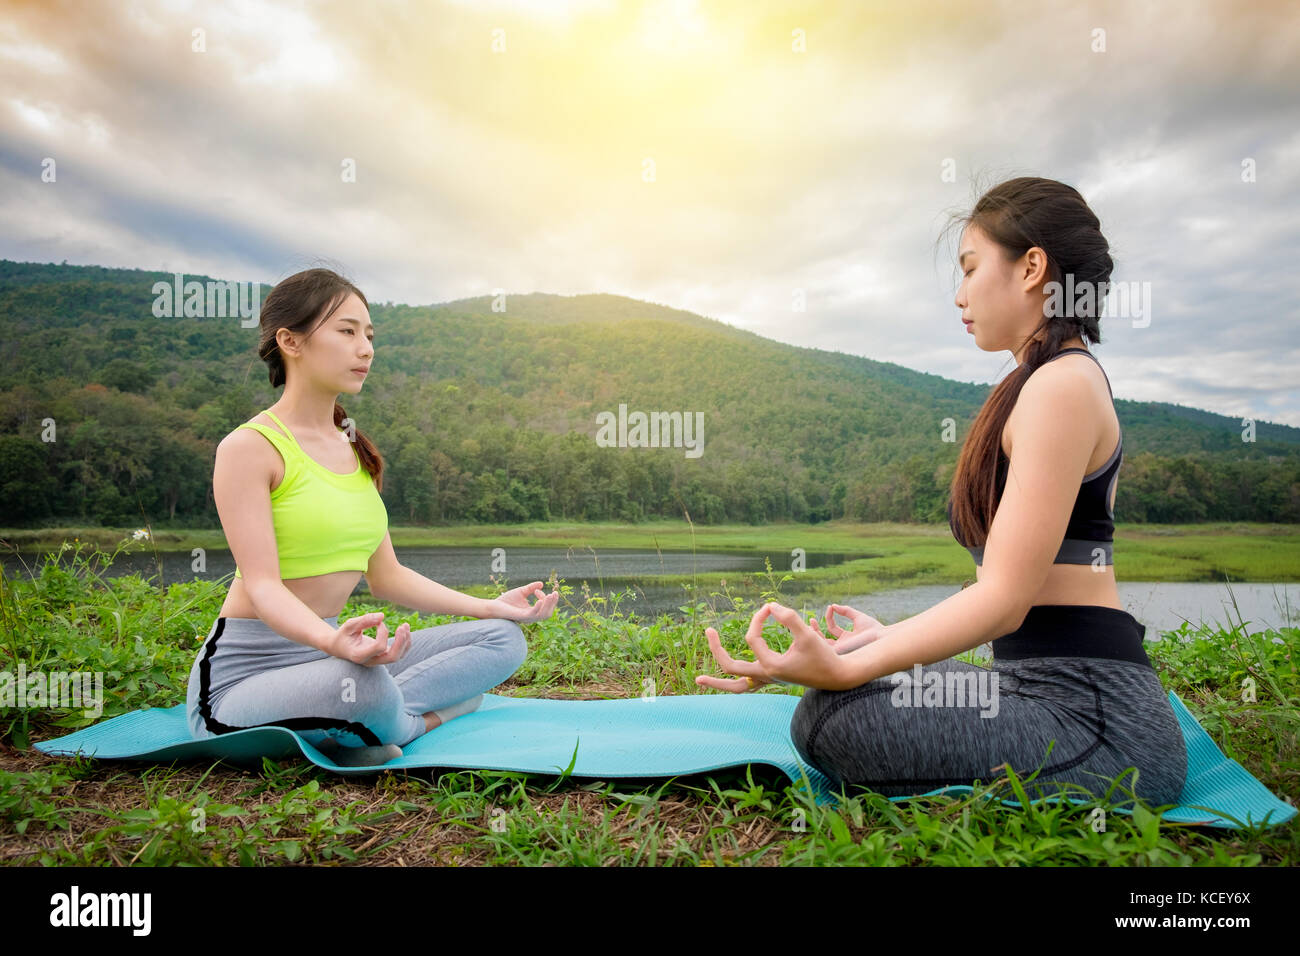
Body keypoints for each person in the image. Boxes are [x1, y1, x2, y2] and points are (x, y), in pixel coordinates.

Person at [695, 177, 1188, 809]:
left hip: (1102, 732)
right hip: (1037, 691)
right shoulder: (1036, 383)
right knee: (847, 696)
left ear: (1032, 266)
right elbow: (1006, 586)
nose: (959, 296)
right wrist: (874, 645)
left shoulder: (1063, 386)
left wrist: (849, 665)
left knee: (833, 719)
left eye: (971, 268)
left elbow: (1004, 600)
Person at [185, 267, 558, 766]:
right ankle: (418, 722)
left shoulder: (354, 448)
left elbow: (388, 577)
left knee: (501, 639)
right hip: (241, 682)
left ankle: (361, 725)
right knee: (358, 684)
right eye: (347, 331)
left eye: (369, 335)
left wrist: (491, 605)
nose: (366, 348)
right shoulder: (250, 448)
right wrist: (331, 642)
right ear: (289, 341)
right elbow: (264, 586)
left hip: (329, 659)